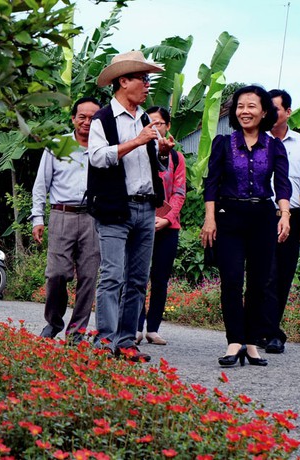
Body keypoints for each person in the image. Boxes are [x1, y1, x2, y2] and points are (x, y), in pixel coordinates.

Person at [86, 50, 170, 362]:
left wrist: (161, 151)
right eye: (143, 79)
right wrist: (137, 140)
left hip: (146, 208)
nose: (148, 85)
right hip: (113, 209)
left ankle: (125, 343)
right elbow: (96, 157)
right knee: (112, 277)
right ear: (124, 81)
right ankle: (106, 342)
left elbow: (155, 167)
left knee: (137, 279)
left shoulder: (146, 118)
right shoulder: (103, 119)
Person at [200, 85, 292, 368]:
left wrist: (285, 215)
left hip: (263, 216)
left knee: (259, 283)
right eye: (240, 106)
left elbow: (283, 183)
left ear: (264, 111)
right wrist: (210, 218)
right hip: (229, 216)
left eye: (251, 106)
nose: (245, 111)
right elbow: (211, 183)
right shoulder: (223, 143)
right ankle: (234, 341)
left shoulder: (275, 146)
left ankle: (251, 343)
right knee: (230, 280)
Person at [31, 97, 102, 344]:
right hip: (62, 215)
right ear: (73, 118)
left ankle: (77, 332)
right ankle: (53, 322)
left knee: (88, 276)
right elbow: (41, 185)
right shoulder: (58, 145)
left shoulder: (103, 148)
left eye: (93, 118)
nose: (87, 122)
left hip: (94, 218)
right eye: (82, 116)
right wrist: (37, 218)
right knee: (56, 274)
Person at [258, 89, 300, 354]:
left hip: (292, 216)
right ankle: (270, 333)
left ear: (288, 112)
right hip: (262, 215)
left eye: (276, 109)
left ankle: (267, 328)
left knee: (283, 275)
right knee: (266, 275)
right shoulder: (256, 139)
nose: (270, 114)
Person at [136, 106, 186, 346]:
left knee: (160, 279)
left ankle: (153, 328)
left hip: (169, 227)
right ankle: (134, 326)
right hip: (140, 222)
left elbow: (179, 192)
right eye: (150, 123)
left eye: (160, 123)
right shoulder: (139, 150)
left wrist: (167, 219)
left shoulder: (177, 157)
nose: (155, 127)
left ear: (168, 126)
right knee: (137, 277)